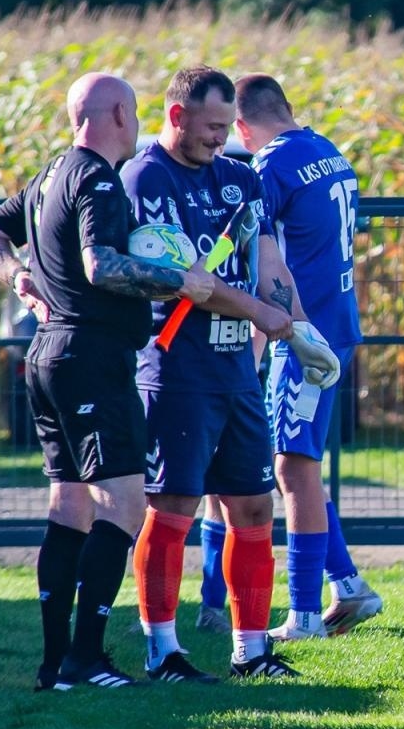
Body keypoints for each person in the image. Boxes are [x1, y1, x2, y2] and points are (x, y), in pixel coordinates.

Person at [0, 72, 228, 691]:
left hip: (49, 356)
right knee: (125, 504)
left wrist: (15, 277)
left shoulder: (52, 171)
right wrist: (176, 280)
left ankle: (54, 665)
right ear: (116, 113)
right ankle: (86, 658)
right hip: (92, 358)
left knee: (72, 504)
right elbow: (100, 264)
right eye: (134, 115)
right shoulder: (98, 178)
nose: (137, 128)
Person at [119, 66, 306, 682]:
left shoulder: (239, 178)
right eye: (211, 127)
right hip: (176, 369)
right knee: (173, 505)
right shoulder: (147, 176)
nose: (221, 138)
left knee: (254, 508)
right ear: (176, 117)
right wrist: (258, 310)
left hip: (236, 371)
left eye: (228, 127)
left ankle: (252, 650)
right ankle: (163, 650)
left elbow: (266, 257)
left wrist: (300, 325)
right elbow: (192, 283)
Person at [227, 72, 383, 642]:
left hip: (302, 332)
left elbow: (258, 251)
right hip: (333, 323)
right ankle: (347, 586)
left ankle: (305, 615)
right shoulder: (327, 150)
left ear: (242, 127)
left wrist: (258, 338)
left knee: (293, 468)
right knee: (298, 464)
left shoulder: (269, 166)